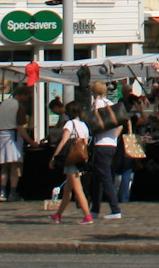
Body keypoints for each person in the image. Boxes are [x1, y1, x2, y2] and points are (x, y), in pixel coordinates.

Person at [49, 100, 94, 225]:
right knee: (67, 190)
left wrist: (54, 157)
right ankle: (58, 215)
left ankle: (87, 216)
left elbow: (63, 141)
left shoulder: (70, 124)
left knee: (78, 189)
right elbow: (85, 143)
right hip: (80, 159)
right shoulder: (84, 125)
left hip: (71, 159)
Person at [87, 83, 125, 220]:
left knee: (105, 177)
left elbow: (93, 122)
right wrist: (114, 137)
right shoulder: (111, 104)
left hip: (101, 144)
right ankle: (95, 209)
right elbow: (121, 124)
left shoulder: (97, 104)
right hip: (112, 144)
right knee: (98, 177)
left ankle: (115, 209)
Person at [0, 86, 25, 201]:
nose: (27, 99)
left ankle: (2, 193)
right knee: (14, 166)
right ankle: (12, 193)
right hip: (13, 137)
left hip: (2, 136)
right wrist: (31, 141)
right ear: (22, 95)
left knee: (4, 167)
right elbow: (20, 127)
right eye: (27, 96)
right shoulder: (18, 106)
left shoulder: (3, 104)